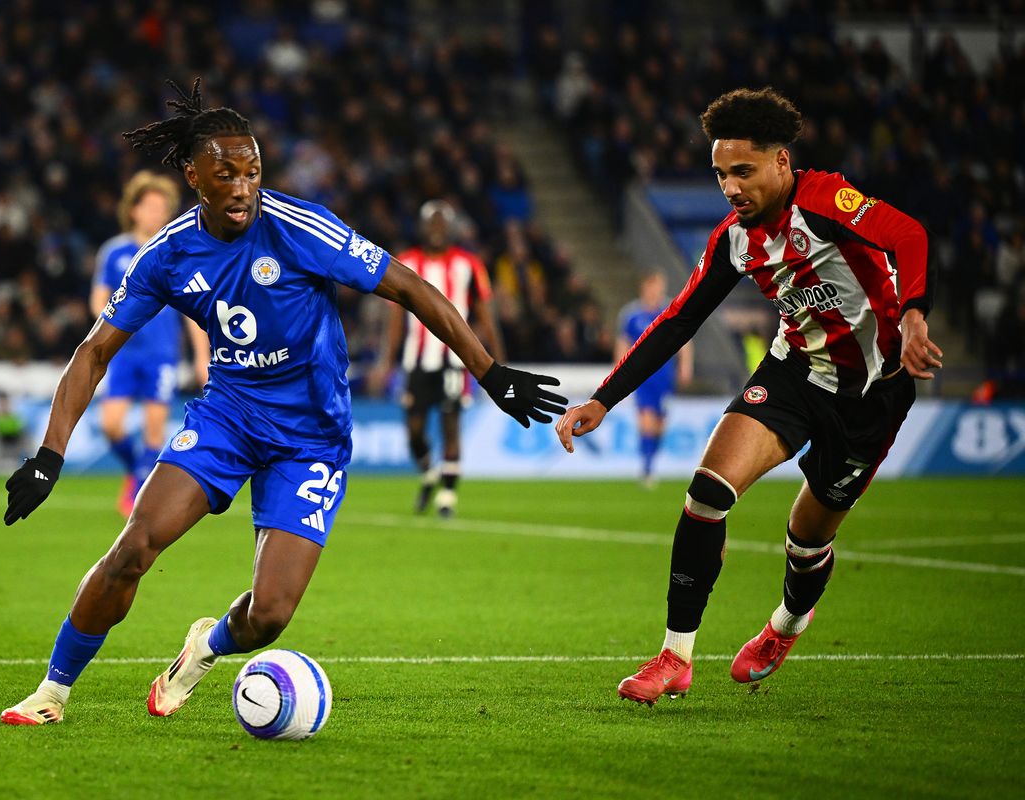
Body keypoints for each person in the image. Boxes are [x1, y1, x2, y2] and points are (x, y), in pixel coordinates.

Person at [0, 79, 566, 725]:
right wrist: (49, 456)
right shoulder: (167, 253)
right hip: (228, 415)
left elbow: (410, 288)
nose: (243, 186)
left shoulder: (301, 227)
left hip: (311, 437)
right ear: (193, 177)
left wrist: (489, 373)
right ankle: (52, 692)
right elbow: (93, 351)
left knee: (268, 616)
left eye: (253, 171)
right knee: (133, 548)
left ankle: (203, 650)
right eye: (226, 173)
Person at [555, 87, 941, 705]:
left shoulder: (827, 201)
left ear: (781, 162)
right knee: (707, 493)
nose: (731, 187)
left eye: (743, 171)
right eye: (720, 174)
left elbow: (909, 236)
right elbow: (678, 320)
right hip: (793, 373)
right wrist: (603, 399)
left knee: (807, 539)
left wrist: (915, 316)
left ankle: (785, 626)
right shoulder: (734, 239)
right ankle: (674, 658)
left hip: (871, 395)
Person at [372, 200, 505, 517]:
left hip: (454, 361)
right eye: (432, 224)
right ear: (422, 228)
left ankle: (447, 498)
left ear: (452, 229)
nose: (437, 230)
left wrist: (497, 362)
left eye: (442, 225)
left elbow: (486, 315)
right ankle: (430, 473)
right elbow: (394, 321)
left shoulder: (469, 264)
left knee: (451, 425)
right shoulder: (405, 263)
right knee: (414, 431)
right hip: (416, 361)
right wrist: (385, 362)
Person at [90, 171, 210, 517]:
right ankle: (135, 472)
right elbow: (98, 299)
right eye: (151, 206)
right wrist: (114, 323)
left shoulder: (174, 254)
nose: (158, 213)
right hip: (124, 353)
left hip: (161, 355)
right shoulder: (114, 252)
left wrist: (202, 356)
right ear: (134, 210)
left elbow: (192, 311)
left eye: (163, 208)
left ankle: (138, 501)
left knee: (154, 430)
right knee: (111, 424)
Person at [614, 271, 692, 487]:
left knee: (659, 426)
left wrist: (685, 367)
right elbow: (622, 343)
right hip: (641, 377)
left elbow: (684, 341)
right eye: (652, 286)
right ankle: (646, 469)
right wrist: (618, 371)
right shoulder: (631, 315)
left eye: (658, 286)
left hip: (664, 376)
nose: (655, 290)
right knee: (646, 421)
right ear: (644, 287)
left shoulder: (671, 311)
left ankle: (650, 463)